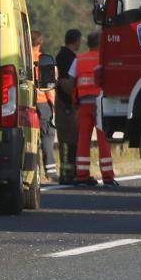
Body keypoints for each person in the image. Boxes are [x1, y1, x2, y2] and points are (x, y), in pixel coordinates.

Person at [68, 30, 118, 188]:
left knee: (83, 139)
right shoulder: (105, 59)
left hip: (84, 104)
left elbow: (71, 81)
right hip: (102, 104)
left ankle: (81, 175)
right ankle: (108, 177)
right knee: (103, 139)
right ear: (101, 43)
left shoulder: (79, 60)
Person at [54, 29, 82, 185]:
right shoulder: (70, 58)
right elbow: (67, 83)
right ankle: (68, 174)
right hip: (68, 104)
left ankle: (68, 172)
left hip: (63, 102)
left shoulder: (60, 55)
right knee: (70, 140)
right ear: (76, 41)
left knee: (67, 139)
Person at [31, 31, 58, 179]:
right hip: (42, 103)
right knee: (47, 136)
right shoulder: (44, 60)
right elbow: (49, 87)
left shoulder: (23, 58)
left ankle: (35, 172)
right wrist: (54, 105)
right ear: (40, 43)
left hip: (27, 103)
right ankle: (51, 171)